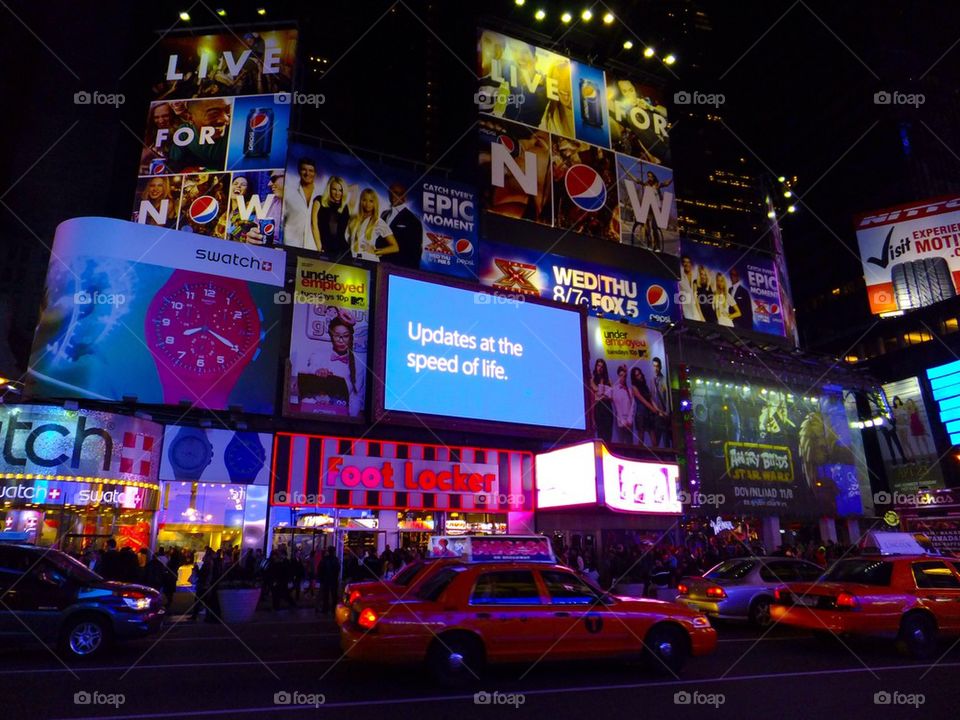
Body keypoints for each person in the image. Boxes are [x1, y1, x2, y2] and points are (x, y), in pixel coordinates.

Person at [304, 310, 365, 416]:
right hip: (315, 413)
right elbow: (307, 374)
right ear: (331, 336)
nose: (341, 340)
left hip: (341, 419)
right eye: (337, 336)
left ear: (351, 337)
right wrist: (317, 372)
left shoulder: (358, 366)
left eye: (345, 336)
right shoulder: (318, 355)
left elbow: (356, 399)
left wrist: (348, 420)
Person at [346, 188, 399, 260]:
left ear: (375, 203)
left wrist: (375, 251)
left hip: (369, 261)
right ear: (361, 201)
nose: (367, 204)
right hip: (353, 259)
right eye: (364, 200)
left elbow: (395, 247)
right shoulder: (354, 219)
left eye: (371, 201)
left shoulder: (378, 222)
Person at [380, 182, 423, 269]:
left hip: (400, 268)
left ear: (404, 197)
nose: (393, 196)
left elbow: (415, 251)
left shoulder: (413, 219)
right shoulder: (384, 214)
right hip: (381, 265)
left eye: (397, 193)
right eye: (391, 193)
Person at [284, 158, 321, 249]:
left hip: (313, 248)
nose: (307, 173)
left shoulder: (321, 195)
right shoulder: (289, 192)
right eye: (304, 170)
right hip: (290, 245)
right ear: (299, 171)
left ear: (315, 173)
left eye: (311, 171)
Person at [311, 175, 351, 257]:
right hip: (326, 249)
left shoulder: (344, 207)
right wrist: (319, 248)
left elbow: (342, 232)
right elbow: (313, 224)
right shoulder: (319, 201)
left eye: (340, 190)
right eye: (334, 189)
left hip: (343, 251)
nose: (337, 193)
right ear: (329, 189)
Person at [630, 367, 663, 446]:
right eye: (637, 375)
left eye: (639, 373)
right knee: (641, 439)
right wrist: (653, 409)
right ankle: (639, 457)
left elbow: (651, 400)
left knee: (654, 440)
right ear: (634, 377)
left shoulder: (645, 386)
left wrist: (658, 410)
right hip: (641, 414)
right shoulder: (634, 387)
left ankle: (655, 457)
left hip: (649, 413)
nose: (639, 376)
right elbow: (643, 400)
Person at [591, 359, 614, 442]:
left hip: (607, 407)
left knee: (608, 434)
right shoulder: (592, 380)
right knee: (600, 434)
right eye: (598, 366)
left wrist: (605, 396)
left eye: (602, 366)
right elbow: (593, 399)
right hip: (598, 407)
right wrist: (593, 419)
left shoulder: (608, 380)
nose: (600, 368)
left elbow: (612, 397)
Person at [611, 365, 635, 444]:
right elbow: (617, 406)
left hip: (629, 421)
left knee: (630, 442)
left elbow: (632, 405)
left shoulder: (629, 390)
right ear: (618, 376)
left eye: (624, 376)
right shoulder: (615, 389)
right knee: (621, 442)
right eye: (621, 376)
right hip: (620, 420)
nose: (622, 378)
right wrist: (623, 421)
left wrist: (629, 420)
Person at [651, 357, 671, 447]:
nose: (655, 368)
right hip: (656, 413)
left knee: (666, 439)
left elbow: (667, 396)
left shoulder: (664, 380)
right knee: (657, 439)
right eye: (654, 366)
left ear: (660, 367)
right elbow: (652, 397)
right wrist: (656, 410)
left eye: (657, 366)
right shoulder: (652, 381)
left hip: (665, 414)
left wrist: (666, 412)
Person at [679, 255, 703, 322]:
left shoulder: (695, 276)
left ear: (691, 264)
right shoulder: (680, 278)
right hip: (686, 310)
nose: (686, 264)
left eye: (688, 262)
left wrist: (701, 315)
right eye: (684, 262)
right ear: (682, 264)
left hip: (696, 310)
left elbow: (696, 296)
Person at [317, 546, 340, 615]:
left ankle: (325, 609)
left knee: (326, 596)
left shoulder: (325, 559)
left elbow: (320, 569)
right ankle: (333, 610)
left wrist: (321, 578)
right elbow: (338, 569)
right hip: (332, 580)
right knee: (333, 596)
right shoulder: (335, 559)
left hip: (326, 580)